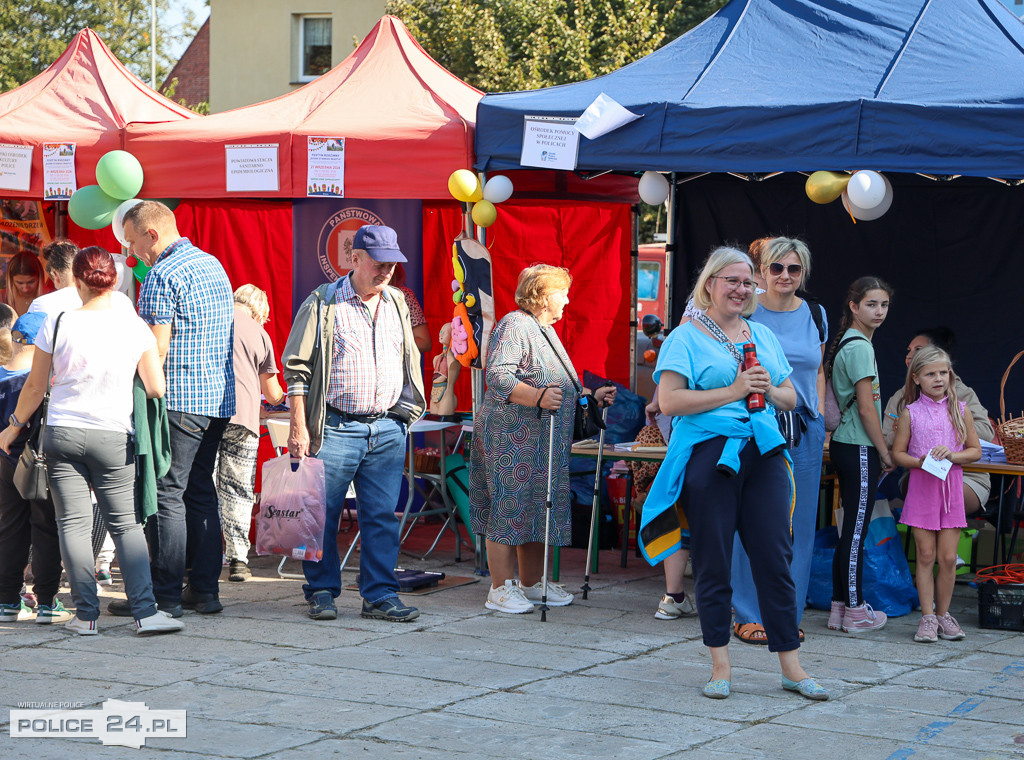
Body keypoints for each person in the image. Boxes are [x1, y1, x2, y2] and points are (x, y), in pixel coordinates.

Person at [641, 246, 827, 701]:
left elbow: (790, 396)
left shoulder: (761, 334)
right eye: (733, 281)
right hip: (709, 454)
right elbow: (670, 402)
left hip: (763, 452)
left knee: (774, 557)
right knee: (714, 560)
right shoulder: (685, 338)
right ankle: (720, 667)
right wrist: (734, 389)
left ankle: (792, 666)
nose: (741, 290)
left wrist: (767, 388)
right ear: (710, 284)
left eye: (748, 283)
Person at [0, 248, 182, 636]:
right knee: (126, 526)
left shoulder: (59, 321)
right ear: (113, 282)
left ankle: (85, 616)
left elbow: (35, 387)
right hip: (113, 434)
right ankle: (146, 613)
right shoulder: (134, 325)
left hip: (62, 432)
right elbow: (155, 386)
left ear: (76, 282)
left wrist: (13, 426)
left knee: (72, 525)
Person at [282, 225, 426, 622]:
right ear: (355, 259)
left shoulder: (398, 301)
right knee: (321, 514)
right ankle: (322, 591)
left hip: (386, 428)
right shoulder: (323, 302)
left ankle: (380, 595)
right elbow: (296, 370)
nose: (386, 273)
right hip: (335, 427)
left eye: (392, 267)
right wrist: (299, 426)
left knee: (382, 516)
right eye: (379, 265)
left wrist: (404, 414)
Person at [469, 264, 616, 614]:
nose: (567, 299)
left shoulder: (543, 328)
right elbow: (499, 376)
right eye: (562, 292)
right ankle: (499, 589)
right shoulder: (515, 324)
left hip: (538, 441)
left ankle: (531, 585)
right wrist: (536, 398)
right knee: (509, 508)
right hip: (511, 438)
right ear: (544, 295)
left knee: (536, 510)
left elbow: (557, 382)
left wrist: (590, 396)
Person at [114, 201, 235, 618]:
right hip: (217, 398)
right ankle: (204, 590)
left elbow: (156, 347)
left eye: (132, 243)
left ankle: (163, 595)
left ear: (152, 234)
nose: (132, 254)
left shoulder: (162, 272)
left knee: (168, 493)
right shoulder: (212, 263)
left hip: (181, 399)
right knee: (200, 491)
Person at [730, 237, 827, 645]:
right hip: (758, 424)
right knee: (750, 519)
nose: (785, 276)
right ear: (761, 272)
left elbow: (818, 368)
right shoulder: (746, 310)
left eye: (794, 269)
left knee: (800, 526)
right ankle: (748, 613)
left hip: (804, 427)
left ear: (803, 273)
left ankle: (786, 613)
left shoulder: (816, 313)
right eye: (776, 268)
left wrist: (819, 415)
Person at [891, 345, 981, 643]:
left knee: (947, 557)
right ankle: (927, 617)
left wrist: (952, 456)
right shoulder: (910, 412)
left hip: (951, 492)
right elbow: (897, 454)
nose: (939, 378)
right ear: (916, 378)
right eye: (931, 373)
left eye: (943, 372)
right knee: (926, 555)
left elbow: (975, 451)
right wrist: (920, 462)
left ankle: (944, 615)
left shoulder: (960, 409)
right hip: (921, 490)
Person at [824, 276, 895, 633]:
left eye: (883, 305)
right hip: (858, 446)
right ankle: (855, 610)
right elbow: (867, 409)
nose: (879, 311)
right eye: (871, 304)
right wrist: (883, 450)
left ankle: (839, 608)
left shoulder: (850, 342)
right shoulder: (860, 347)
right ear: (853, 306)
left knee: (850, 529)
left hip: (848, 444)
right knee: (855, 531)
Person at [0, 313, 68, 624]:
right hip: (40, 462)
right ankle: (47, 601)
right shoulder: (44, 380)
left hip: (4, 461)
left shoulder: (2, 375)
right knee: (45, 528)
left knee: (9, 529)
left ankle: (8, 600)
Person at [883, 327, 994, 515]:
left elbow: (986, 432)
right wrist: (907, 432)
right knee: (928, 491)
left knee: (944, 495)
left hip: (966, 475)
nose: (910, 356)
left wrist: (943, 430)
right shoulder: (901, 398)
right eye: (908, 351)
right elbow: (886, 438)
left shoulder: (963, 394)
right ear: (916, 377)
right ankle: (929, 544)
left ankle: (943, 544)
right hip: (918, 472)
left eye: (918, 350)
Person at [218, 285, 284, 582]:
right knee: (238, 489)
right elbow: (272, 395)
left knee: (201, 489)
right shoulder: (259, 332)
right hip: (242, 421)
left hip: (204, 416)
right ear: (259, 311)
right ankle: (238, 560)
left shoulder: (213, 318)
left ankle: (200, 556)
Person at [390, 263, 432, 353]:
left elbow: (424, 342)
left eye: (389, 265)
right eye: (378, 265)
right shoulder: (355, 295)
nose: (384, 272)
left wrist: (390, 345)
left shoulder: (404, 296)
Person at [4, 251, 45, 315]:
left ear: (40, 277)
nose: (26, 289)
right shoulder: (2, 299)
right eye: (20, 283)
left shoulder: (51, 298)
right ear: (11, 280)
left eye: (31, 282)